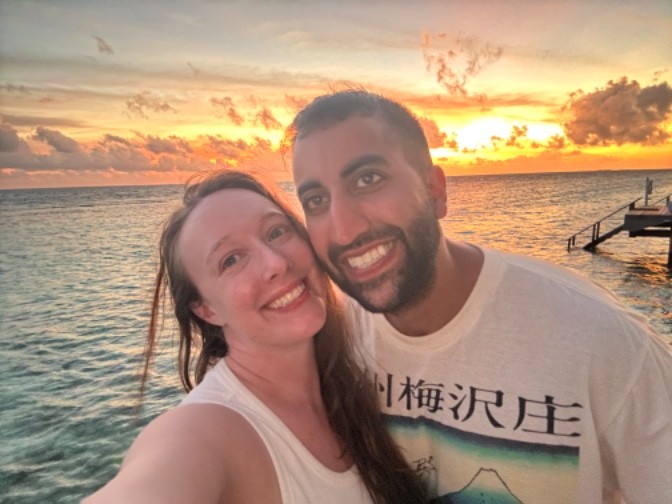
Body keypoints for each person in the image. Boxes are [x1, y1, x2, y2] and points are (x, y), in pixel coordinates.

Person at [287, 90, 672, 504]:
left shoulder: (603, 342)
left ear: (435, 191)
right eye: (316, 200)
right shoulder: (336, 343)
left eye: (368, 179)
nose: (344, 229)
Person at [84, 170, 427, 504]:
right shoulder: (206, 431)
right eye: (231, 260)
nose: (275, 263)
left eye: (276, 232)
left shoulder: (353, 370)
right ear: (206, 310)